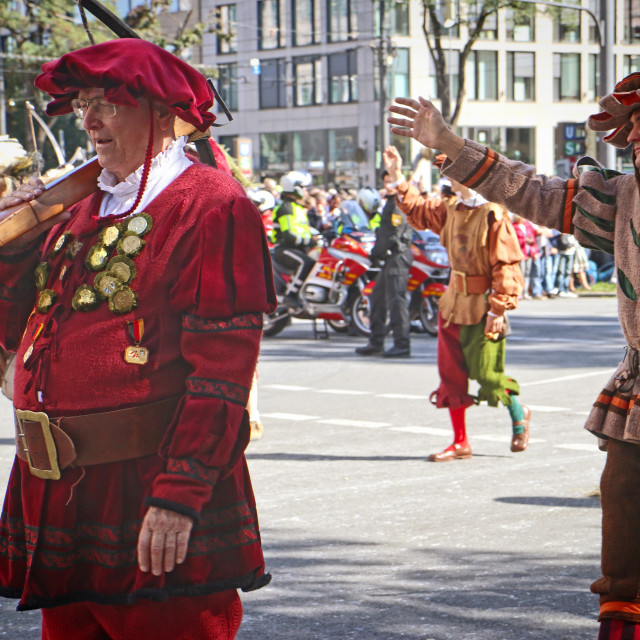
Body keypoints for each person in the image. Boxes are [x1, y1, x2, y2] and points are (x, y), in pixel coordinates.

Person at [0, 38, 275, 640]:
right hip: (59, 494)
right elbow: (13, 335)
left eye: (107, 103)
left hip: (148, 486)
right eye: (84, 105)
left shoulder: (212, 205)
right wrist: (15, 252)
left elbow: (223, 371)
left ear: (158, 111)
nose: (90, 120)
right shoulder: (75, 206)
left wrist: (179, 493)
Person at [387, 72, 640, 637]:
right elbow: (535, 190)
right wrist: (450, 145)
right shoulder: (623, 197)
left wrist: (500, 305)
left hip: (484, 307)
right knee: (624, 551)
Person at [381, 146, 530, 459]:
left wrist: (498, 309)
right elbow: (418, 210)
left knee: (488, 376)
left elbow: (506, 265)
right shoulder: (450, 207)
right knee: (451, 377)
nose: (445, 174)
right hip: (451, 304)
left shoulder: (493, 213)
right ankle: (460, 442)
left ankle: (519, 414)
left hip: (483, 306)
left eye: (451, 169)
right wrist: (396, 175)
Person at [355, 176, 413, 358]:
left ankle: (401, 344)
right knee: (377, 298)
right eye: (385, 182)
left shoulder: (396, 204)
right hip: (391, 257)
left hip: (398, 256)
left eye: (391, 182)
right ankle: (376, 341)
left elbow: (392, 235)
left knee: (397, 301)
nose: (387, 185)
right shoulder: (391, 202)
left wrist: (376, 253)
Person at [271, 171, 315, 307]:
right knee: (306, 263)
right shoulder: (286, 208)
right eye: (302, 187)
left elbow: (305, 230)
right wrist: (311, 241)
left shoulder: (297, 207)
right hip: (284, 249)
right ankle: (290, 295)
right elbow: (289, 235)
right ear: (294, 187)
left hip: (297, 248)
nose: (305, 190)